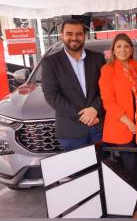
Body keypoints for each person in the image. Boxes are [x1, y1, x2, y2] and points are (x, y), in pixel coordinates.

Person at [98, 33, 137, 218]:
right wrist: (129, 123)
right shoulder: (108, 69)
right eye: (118, 47)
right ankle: (134, 208)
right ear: (113, 50)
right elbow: (108, 102)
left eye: (126, 46)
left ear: (131, 49)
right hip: (123, 128)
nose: (122, 50)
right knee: (130, 169)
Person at [42, 19, 105, 151]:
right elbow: (52, 96)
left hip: (98, 127)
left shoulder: (98, 59)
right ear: (62, 35)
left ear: (84, 35)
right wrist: (83, 116)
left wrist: (94, 108)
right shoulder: (50, 62)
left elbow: (105, 89)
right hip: (71, 131)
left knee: (102, 168)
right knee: (79, 171)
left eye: (79, 34)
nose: (74, 38)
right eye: (69, 33)